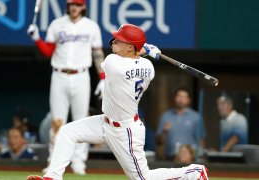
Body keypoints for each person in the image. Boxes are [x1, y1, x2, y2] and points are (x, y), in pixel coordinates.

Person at [27, 24, 208, 180]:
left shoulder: (113, 62)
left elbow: (125, 59)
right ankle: (52, 176)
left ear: (130, 48)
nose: (114, 41)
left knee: (142, 177)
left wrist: (146, 49)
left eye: (119, 40)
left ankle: (194, 172)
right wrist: (146, 50)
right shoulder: (149, 67)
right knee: (67, 132)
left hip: (125, 131)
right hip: (106, 122)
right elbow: (138, 57)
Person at [27, 0, 105, 174]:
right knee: (57, 121)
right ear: (68, 6)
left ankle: (79, 163)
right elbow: (48, 51)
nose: (74, 7)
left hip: (81, 76)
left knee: (81, 121)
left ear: (83, 7)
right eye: (71, 4)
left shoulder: (91, 26)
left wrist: (102, 77)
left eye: (77, 4)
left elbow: (97, 53)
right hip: (59, 75)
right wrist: (36, 39)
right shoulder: (57, 24)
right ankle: (53, 162)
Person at [156, 88, 206, 160]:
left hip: (189, 159)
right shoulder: (165, 116)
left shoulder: (196, 117)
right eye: (178, 96)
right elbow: (158, 142)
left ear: (189, 100)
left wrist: (201, 157)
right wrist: (164, 131)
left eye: (184, 97)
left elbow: (201, 140)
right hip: (170, 158)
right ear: (175, 98)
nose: (180, 99)